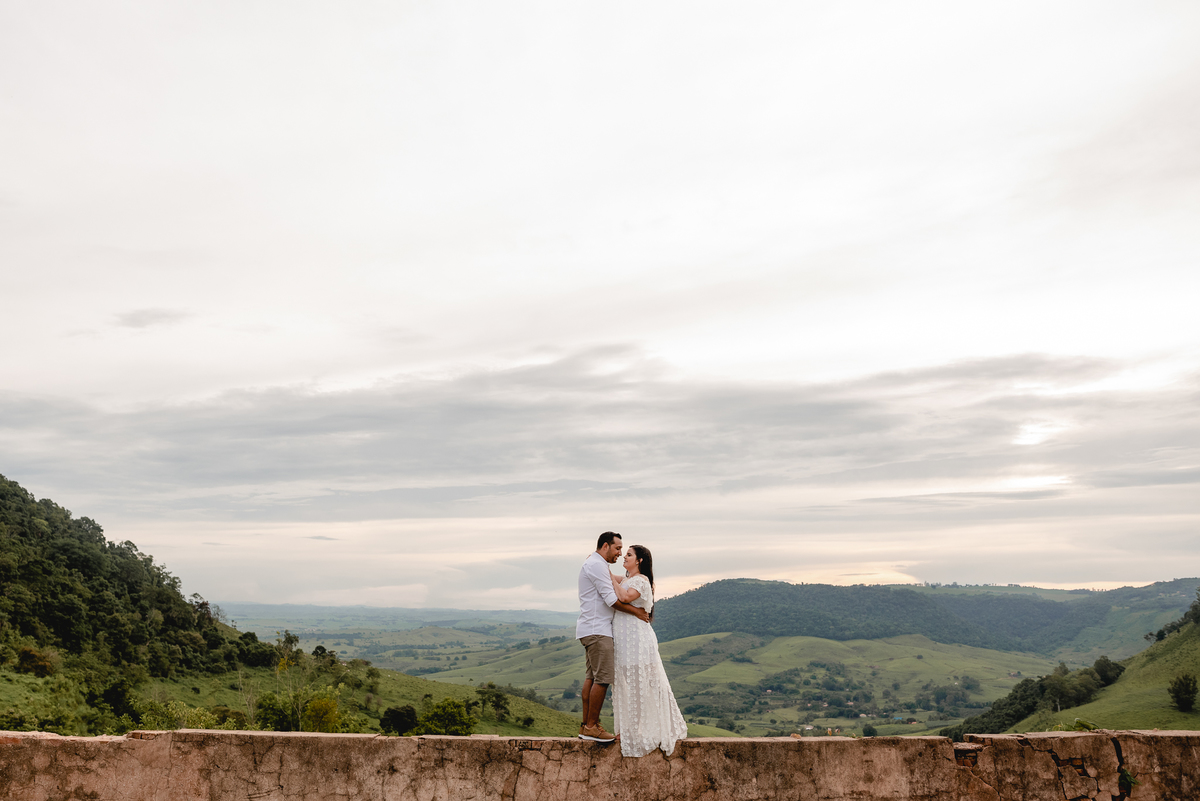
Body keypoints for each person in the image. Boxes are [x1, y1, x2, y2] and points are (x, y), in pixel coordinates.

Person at [609, 544, 688, 757]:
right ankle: (628, 729)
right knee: (625, 681)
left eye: (629, 555)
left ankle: (639, 731)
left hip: (636, 639)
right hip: (625, 637)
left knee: (639, 681)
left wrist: (610, 577)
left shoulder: (641, 581)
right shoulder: (627, 579)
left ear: (640, 560)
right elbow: (612, 577)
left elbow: (625, 597)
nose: (624, 557)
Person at [576, 531, 649, 743]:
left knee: (592, 677)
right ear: (606, 546)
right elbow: (611, 600)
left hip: (591, 628)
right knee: (603, 679)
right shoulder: (597, 565)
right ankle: (591, 726)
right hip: (598, 630)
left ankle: (587, 725)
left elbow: (620, 583)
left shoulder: (596, 564)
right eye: (617, 549)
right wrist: (637, 612)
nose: (619, 554)